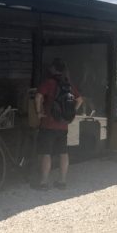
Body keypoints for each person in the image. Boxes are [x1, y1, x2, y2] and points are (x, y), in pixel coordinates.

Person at [34, 58, 83, 189]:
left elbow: (38, 96)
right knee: (63, 152)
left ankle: (44, 182)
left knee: (46, 153)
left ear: (54, 69)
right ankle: (62, 181)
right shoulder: (68, 84)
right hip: (63, 124)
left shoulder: (49, 83)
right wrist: (71, 112)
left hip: (48, 124)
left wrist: (39, 112)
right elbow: (79, 99)